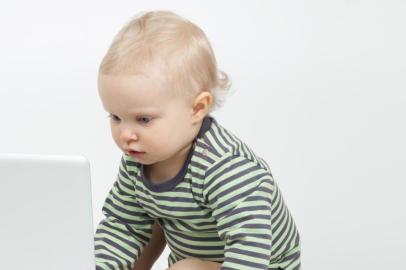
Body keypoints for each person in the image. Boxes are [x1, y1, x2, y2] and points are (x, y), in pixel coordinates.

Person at [94, 10, 301, 270]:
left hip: (260, 263)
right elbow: (122, 226)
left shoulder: (226, 168)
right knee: (140, 229)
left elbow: (249, 246)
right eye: (115, 117)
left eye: (144, 119)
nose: (126, 134)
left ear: (196, 108)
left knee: (186, 268)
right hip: (202, 259)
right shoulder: (138, 159)